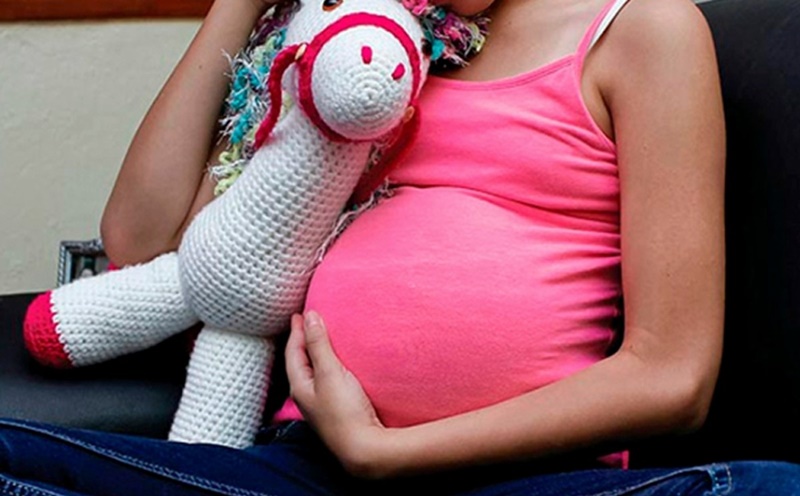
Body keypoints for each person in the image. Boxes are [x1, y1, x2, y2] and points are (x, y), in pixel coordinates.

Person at [2, 0, 800, 494]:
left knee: (769, 488)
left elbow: (672, 376)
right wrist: (242, 5)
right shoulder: (361, 54)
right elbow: (141, 241)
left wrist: (388, 454)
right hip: (302, 470)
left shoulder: (639, 31)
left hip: (527, 482)